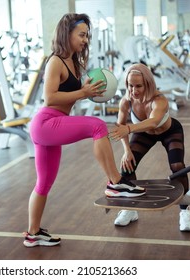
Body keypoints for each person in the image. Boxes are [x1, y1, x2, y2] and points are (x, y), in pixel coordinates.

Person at [24, 13, 146, 248]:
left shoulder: (75, 63)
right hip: (46, 122)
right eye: (81, 35)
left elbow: (79, 92)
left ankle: (33, 233)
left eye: (87, 36)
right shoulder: (56, 61)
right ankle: (115, 183)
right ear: (66, 34)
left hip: (54, 123)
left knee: (44, 183)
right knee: (97, 126)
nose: (85, 40)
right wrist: (83, 93)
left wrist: (97, 90)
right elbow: (49, 97)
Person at [108, 63, 190, 232]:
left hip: (169, 131)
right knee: (127, 166)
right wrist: (126, 150)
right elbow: (120, 126)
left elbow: (154, 121)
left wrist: (129, 128)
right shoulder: (126, 101)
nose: (134, 90)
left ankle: (185, 211)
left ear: (148, 83)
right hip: (144, 133)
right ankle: (130, 208)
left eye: (138, 86)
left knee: (177, 166)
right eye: (130, 86)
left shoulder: (159, 100)